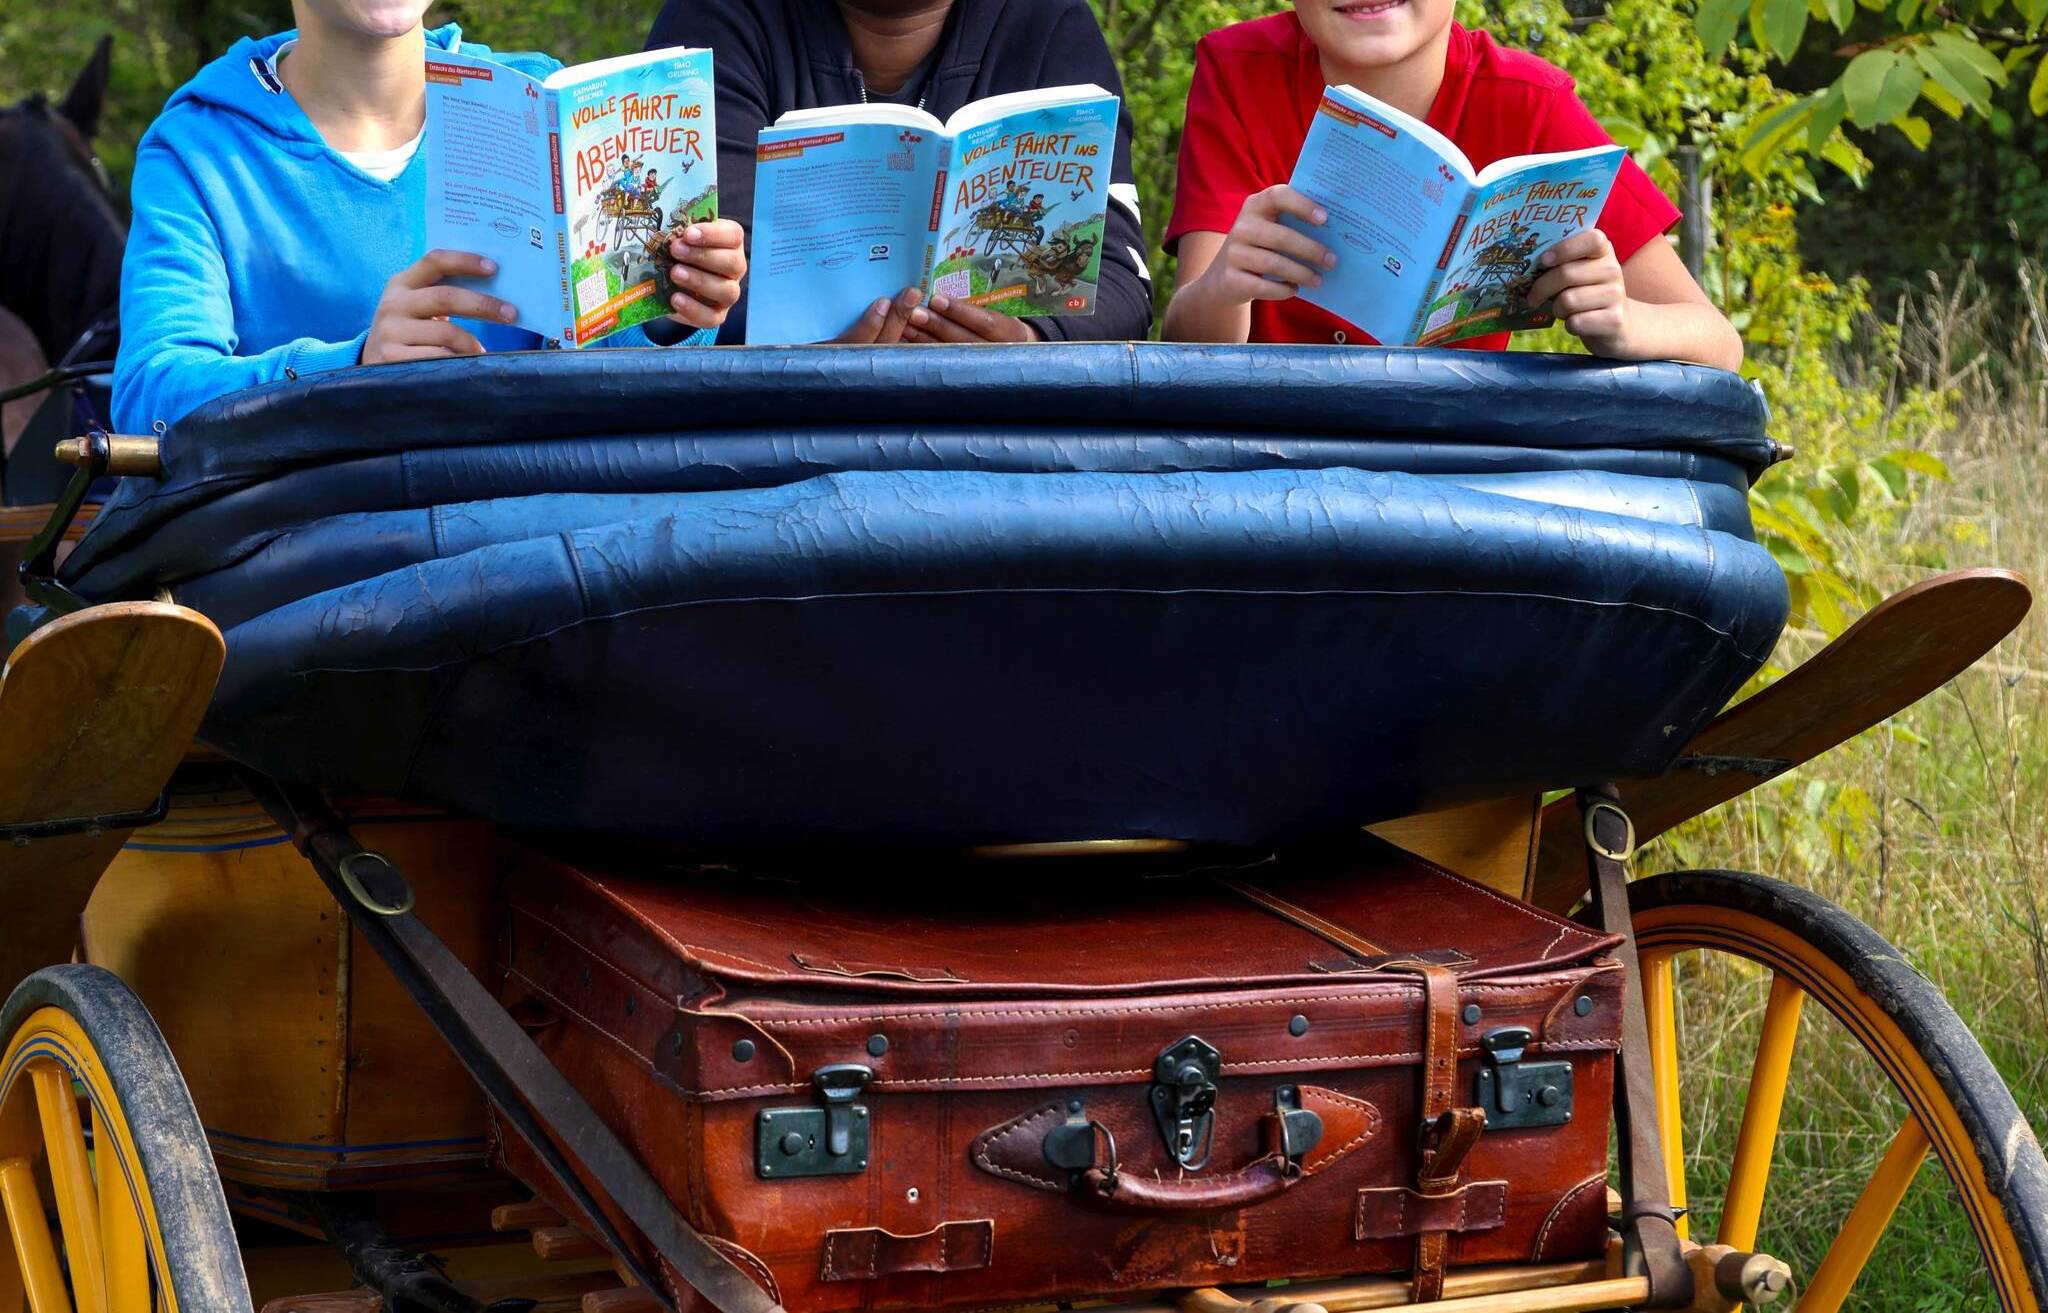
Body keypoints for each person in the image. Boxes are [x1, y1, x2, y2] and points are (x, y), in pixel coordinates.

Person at [113, 1, 749, 436]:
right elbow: (149, 403)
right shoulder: (197, 149)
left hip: (539, 540)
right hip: (315, 571)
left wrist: (672, 310)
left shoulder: (540, 101)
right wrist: (352, 369)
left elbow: (624, 385)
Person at [1159, 0, 1742, 370]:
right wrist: (1223, 289)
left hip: (1448, 465)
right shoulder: (1237, 68)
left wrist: (1624, 321)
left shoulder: (1534, 103)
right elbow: (1185, 340)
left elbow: (1719, 341)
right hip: (1266, 459)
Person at [643, 0, 1153, 345]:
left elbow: (1118, 284)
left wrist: (1027, 341)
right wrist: (803, 359)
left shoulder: (1050, 23)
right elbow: (683, 285)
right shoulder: (714, 17)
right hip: (772, 428)